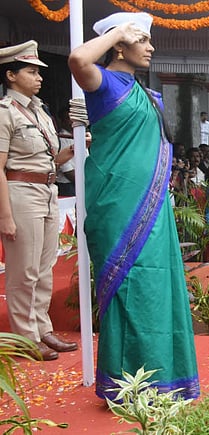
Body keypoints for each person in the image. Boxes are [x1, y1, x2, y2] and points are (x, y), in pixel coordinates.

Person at [68, 12, 200, 400]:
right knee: (128, 290)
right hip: (117, 206)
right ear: (120, 44)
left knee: (155, 288)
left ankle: (164, 379)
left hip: (154, 207)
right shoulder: (105, 83)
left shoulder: (146, 93)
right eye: (142, 39)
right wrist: (117, 33)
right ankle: (124, 385)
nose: (151, 47)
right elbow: (77, 60)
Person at [0, 40, 78, 361]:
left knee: (45, 267)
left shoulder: (40, 111)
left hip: (47, 192)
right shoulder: (5, 113)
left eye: (39, 72)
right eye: (31, 71)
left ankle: (42, 328)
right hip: (20, 194)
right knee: (24, 271)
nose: (39, 77)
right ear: (11, 76)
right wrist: (5, 216)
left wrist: (72, 150)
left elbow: (47, 160)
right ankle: (25, 337)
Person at [55, 103, 78, 197]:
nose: (71, 121)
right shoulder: (61, 138)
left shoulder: (79, 135)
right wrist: (83, 182)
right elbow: (66, 169)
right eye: (68, 118)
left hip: (80, 181)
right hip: (67, 185)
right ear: (62, 121)